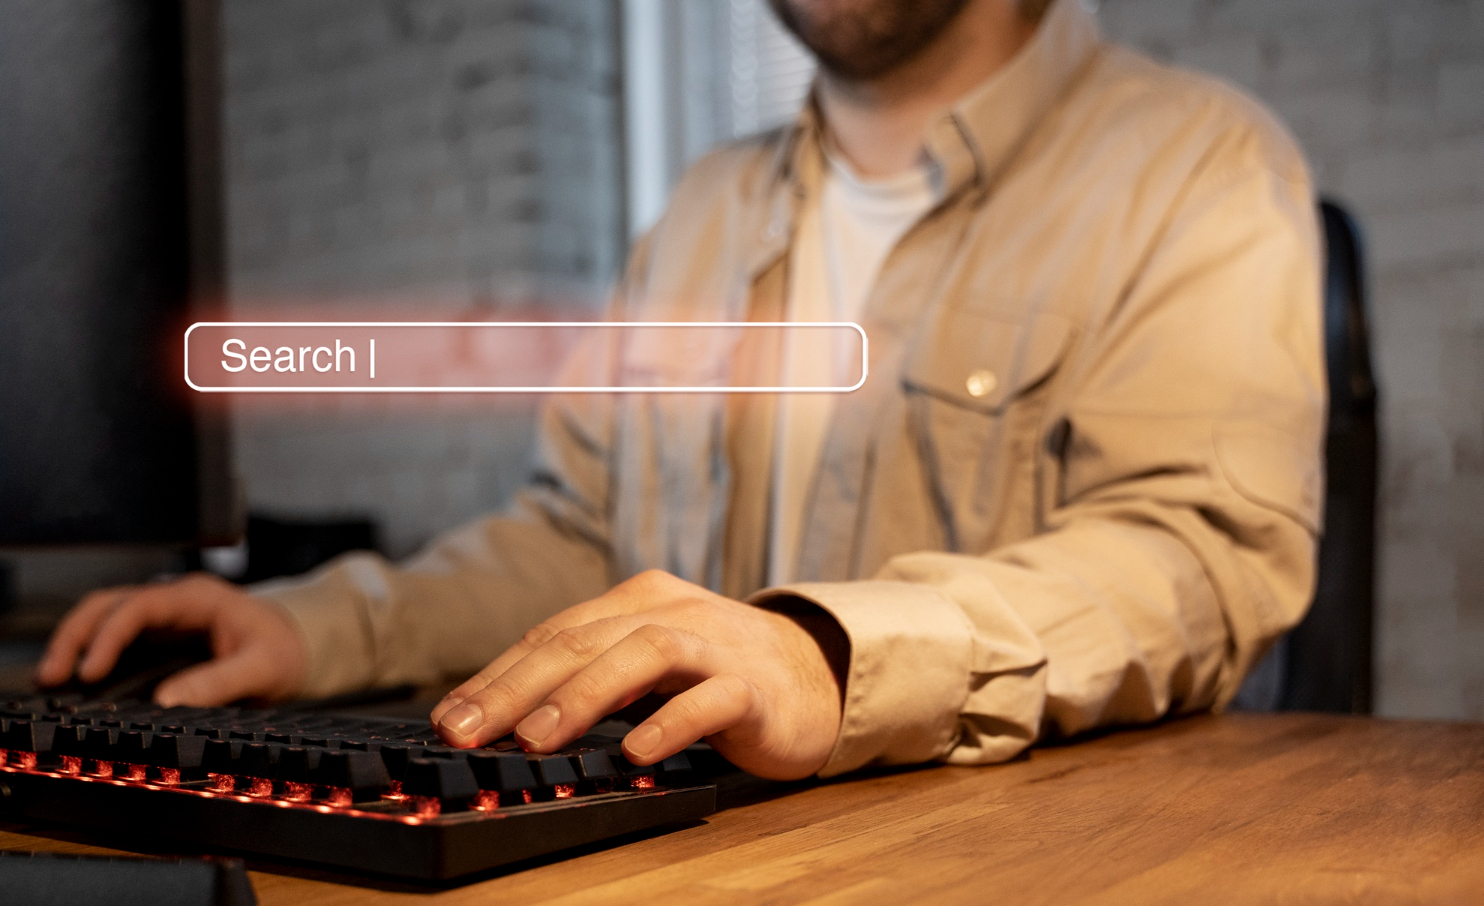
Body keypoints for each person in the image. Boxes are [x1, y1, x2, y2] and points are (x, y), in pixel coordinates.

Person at [36, 0, 1324, 782]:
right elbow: (580, 538)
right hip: (709, 876)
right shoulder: (703, 214)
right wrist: (316, 632)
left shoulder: (1198, 167)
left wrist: (828, 655)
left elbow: (1194, 556)